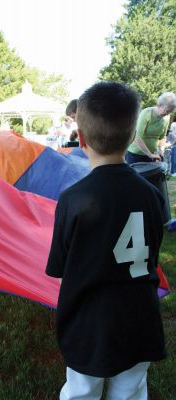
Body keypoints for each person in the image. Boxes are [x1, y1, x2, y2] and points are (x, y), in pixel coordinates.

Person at [46, 82, 166, 400]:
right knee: (129, 392)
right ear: (130, 138)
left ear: (81, 139)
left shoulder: (73, 199)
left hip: (89, 325)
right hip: (140, 318)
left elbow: (58, 266)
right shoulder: (153, 196)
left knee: (81, 392)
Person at [126, 92, 176, 164]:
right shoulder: (146, 113)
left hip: (152, 154)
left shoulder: (166, 118)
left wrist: (161, 150)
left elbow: (162, 137)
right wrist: (150, 154)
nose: (167, 114)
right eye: (166, 111)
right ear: (158, 105)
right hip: (135, 155)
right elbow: (137, 137)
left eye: (170, 112)